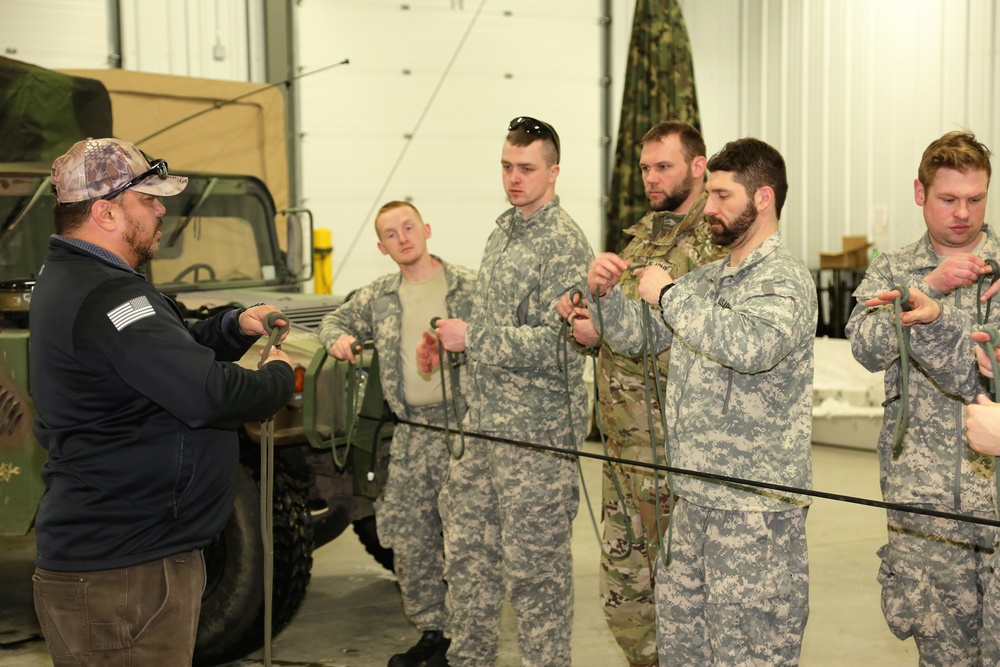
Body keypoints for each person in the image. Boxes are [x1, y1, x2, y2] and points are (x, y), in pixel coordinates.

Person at [30, 137, 295, 665]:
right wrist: (279, 378)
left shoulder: (81, 280)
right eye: (147, 199)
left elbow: (154, 358)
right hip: (125, 573)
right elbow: (206, 393)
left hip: (123, 559)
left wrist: (231, 327)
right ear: (105, 212)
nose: (161, 208)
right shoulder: (108, 296)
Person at [588, 137, 816, 666]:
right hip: (692, 502)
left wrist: (669, 294)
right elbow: (640, 336)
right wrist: (602, 299)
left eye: (721, 196)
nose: (708, 208)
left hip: (753, 512)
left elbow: (751, 346)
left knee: (749, 651)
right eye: (708, 195)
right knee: (684, 648)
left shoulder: (785, 279)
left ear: (762, 198)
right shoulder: (709, 278)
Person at [416, 117, 593, 666]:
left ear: (554, 172)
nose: (514, 179)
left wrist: (475, 337)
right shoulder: (505, 231)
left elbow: (566, 345)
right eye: (507, 167)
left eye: (527, 169)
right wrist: (453, 340)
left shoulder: (563, 243)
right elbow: (497, 319)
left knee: (535, 576)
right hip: (485, 426)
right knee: (467, 559)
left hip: (535, 437)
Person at [556, 120, 723, 667]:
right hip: (623, 447)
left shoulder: (714, 242)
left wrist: (609, 326)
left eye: (664, 167)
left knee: (681, 589)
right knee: (626, 593)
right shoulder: (642, 237)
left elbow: (706, 342)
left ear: (698, 166)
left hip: (672, 451)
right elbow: (620, 329)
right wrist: (587, 316)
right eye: (646, 167)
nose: (651, 178)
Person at [846, 130, 999, 665]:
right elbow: (863, 346)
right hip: (922, 497)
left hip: (995, 495)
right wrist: (929, 288)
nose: (963, 213)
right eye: (948, 199)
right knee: (941, 649)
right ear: (920, 193)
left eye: (975, 199)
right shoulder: (895, 268)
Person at [317, 200, 476, 667]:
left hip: (463, 434)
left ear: (426, 229)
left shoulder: (468, 286)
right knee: (410, 538)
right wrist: (337, 339)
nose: (403, 237)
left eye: (409, 227)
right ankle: (434, 631)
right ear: (382, 247)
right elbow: (334, 322)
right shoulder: (379, 296)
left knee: (467, 541)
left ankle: (468, 637)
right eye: (391, 234)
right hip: (409, 435)